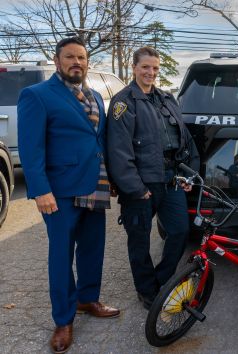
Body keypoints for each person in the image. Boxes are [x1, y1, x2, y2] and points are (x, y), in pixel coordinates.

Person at [17, 37, 120, 354]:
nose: (77, 62)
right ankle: (63, 319)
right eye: (70, 57)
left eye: (82, 57)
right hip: (59, 190)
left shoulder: (94, 96)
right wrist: (40, 189)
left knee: (93, 248)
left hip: (95, 184)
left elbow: (98, 140)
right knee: (61, 256)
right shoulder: (37, 95)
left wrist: (111, 178)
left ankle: (88, 300)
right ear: (57, 60)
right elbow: (30, 147)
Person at [107, 47, 200, 310]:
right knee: (139, 240)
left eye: (155, 68)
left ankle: (161, 280)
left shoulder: (167, 99)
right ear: (134, 67)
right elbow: (118, 150)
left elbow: (186, 141)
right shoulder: (123, 102)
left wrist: (187, 175)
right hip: (140, 186)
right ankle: (146, 290)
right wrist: (135, 188)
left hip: (171, 180)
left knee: (180, 231)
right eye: (145, 67)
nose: (151, 72)